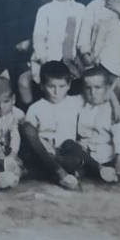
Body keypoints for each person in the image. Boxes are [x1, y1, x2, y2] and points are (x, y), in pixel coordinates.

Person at [58, 66, 120, 184]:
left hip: (106, 156)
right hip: (84, 155)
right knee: (68, 144)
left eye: (98, 88)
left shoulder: (115, 111)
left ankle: (88, 171)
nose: (92, 93)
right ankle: (97, 170)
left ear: (107, 89)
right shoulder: (79, 102)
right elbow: (62, 98)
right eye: (88, 88)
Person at [20, 60, 85, 189]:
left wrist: (116, 105)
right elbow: (31, 137)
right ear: (42, 86)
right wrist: (45, 147)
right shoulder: (35, 108)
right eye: (51, 86)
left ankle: (52, 173)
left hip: (64, 153)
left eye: (61, 86)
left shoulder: (76, 102)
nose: (56, 92)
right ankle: (59, 173)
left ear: (69, 85)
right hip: (44, 153)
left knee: (75, 157)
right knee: (26, 129)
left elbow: (101, 89)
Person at [31, 0, 86, 82]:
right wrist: (44, 61)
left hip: (73, 60)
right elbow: (39, 39)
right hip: (48, 59)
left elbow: (83, 37)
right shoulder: (45, 10)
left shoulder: (81, 9)